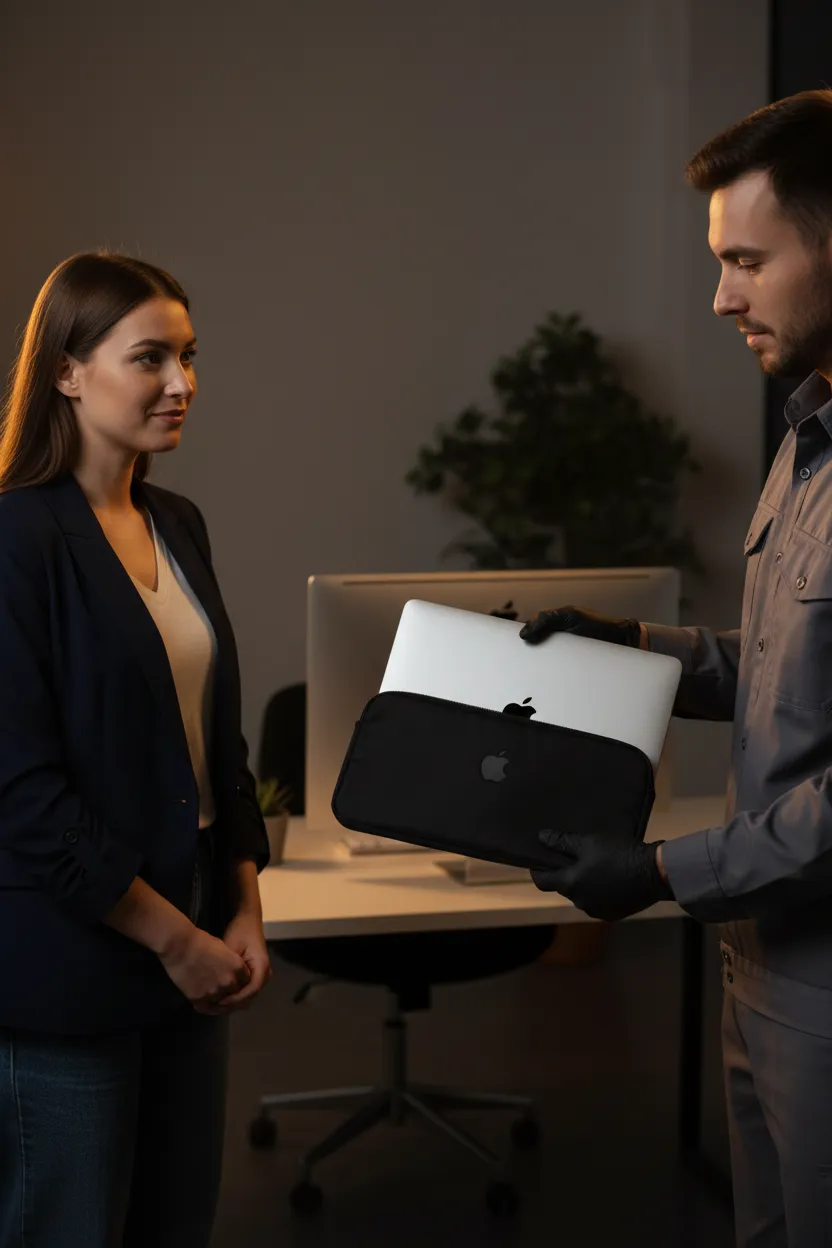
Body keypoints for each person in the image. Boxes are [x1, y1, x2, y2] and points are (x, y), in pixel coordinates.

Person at [521, 89, 832, 1248]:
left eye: (746, 260)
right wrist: (631, 650)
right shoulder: (807, 441)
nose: (720, 297)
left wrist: (659, 870)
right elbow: (789, 667)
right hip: (756, 966)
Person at [0, 252, 272, 1248]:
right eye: (150, 357)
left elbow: (217, 741)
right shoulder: (15, 537)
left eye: (189, 357)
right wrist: (176, 941)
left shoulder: (177, 523)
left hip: (195, 931)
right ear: (68, 371)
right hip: (72, 957)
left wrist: (242, 904)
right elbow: (20, 794)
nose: (181, 382)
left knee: (176, 1224)